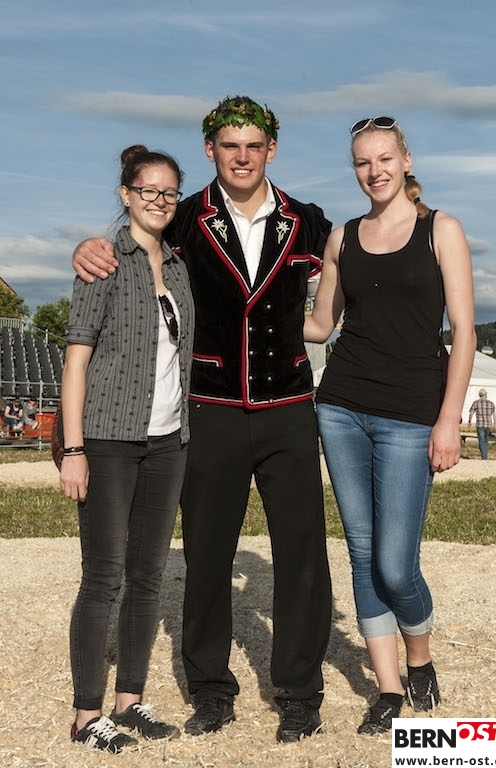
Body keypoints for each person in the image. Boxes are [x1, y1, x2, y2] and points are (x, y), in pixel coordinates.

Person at [72, 96, 332, 744]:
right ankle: (212, 690)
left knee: (302, 554)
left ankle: (300, 691)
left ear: (272, 150)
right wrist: (89, 246)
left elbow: (345, 287)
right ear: (210, 150)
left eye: (253, 145)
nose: (242, 157)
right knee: (208, 555)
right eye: (229, 145)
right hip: (211, 408)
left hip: (288, 407)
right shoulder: (185, 218)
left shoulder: (310, 222)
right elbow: (129, 244)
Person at [305, 116, 476, 735]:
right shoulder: (343, 237)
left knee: (396, 565)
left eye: (383, 159)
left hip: (411, 413)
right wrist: (252, 306)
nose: (373, 171)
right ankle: (387, 689)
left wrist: (449, 419)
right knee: (361, 553)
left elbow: (464, 333)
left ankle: (419, 658)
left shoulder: (441, 230)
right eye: (362, 162)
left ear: (406, 160)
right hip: (341, 407)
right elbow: (320, 325)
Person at [61, 145, 194, 753]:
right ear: (126, 194)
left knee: (147, 577)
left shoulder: (181, 268)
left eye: (169, 192)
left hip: (168, 442)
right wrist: (74, 449)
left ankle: (129, 702)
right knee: (103, 578)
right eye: (148, 191)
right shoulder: (103, 263)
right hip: (108, 439)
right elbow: (77, 360)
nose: (159, 201)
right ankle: (87, 715)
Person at [468, 388, 496, 459]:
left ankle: (484, 457)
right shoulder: (491, 403)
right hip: (488, 424)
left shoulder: (476, 403)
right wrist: (495, 424)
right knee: (486, 440)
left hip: (480, 424)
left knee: (481, 440)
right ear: (485, 395)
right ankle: (485, 456)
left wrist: (469, 421)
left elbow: (471, 413)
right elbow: (494, 414)